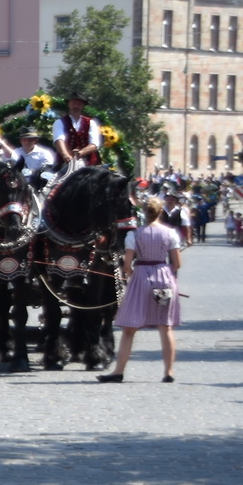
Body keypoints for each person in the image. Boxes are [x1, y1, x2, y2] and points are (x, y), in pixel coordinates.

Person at [98, 196, 180, 385]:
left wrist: (133, 274)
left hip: (141, 278)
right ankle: (168, 371)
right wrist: (165, 274)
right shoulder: (170, 234)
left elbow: (127, 265)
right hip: (164, 279)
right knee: (165, 326)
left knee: (129, 329)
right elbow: (176, 263)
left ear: (144, 213)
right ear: (160, 212)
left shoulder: (134, 235)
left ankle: (119, 371)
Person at [53, 93, 102, 170]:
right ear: (68, 105)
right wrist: (66, 155)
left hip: (89, 164)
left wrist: (80, 153)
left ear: (83, 106)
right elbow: (59, 140)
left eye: (79, 104)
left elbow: (94, 144)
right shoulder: (59, 122)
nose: (76, 106)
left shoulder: (91, 123)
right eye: (73, 103)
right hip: (65, 163)